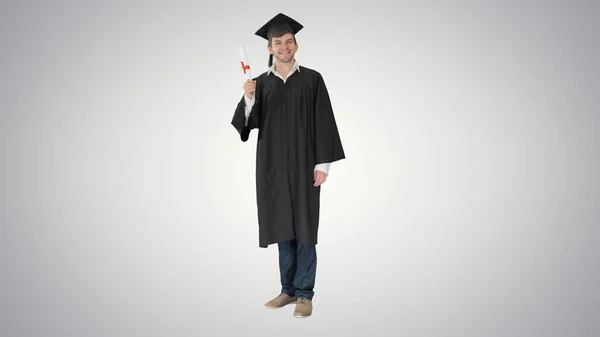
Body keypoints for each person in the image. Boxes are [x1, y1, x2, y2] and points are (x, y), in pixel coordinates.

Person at [231, 13, 345, 318]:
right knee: (282, 226)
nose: (284, 46)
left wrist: (323, 164)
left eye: (288, 41)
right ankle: (288, 290)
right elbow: (246, 126)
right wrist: (249, 100)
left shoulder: (312, 79)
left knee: (305, 227)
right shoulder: (260, 84)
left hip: (306, 165)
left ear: (296, 44)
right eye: (277, 42)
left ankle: (305, 294)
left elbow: (324, 122)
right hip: (272, 166)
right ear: (269, 47)